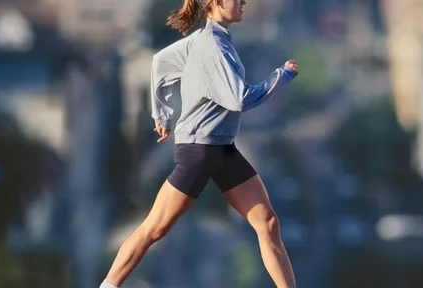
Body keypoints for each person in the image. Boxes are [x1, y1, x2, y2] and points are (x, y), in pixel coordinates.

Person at [99, 0, 299, 287]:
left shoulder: (209, 40)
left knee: (267, 223)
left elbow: (161, 62)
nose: (243, 2)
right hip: (199, 151)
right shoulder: (212, 47)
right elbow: (239, 99)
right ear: (217, 2)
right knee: (154, 229)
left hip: (223, 148)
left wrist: (163, 114)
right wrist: (281, 76)